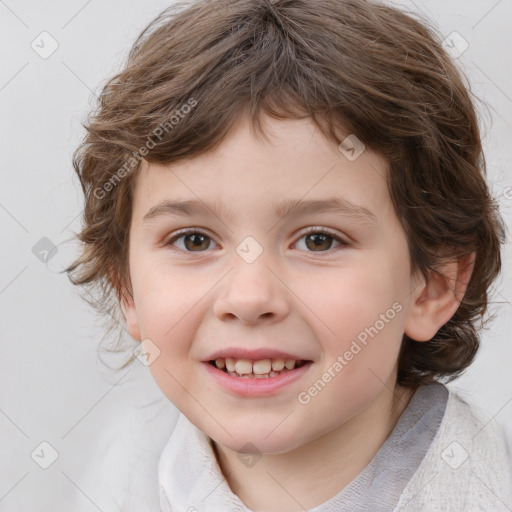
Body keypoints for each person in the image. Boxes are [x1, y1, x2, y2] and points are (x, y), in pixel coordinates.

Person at [66, 0, 512, 510]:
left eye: (319, 240)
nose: (249, 298)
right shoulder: (112, 486)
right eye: (194, 240)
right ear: (126, 286)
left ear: (433, 283)